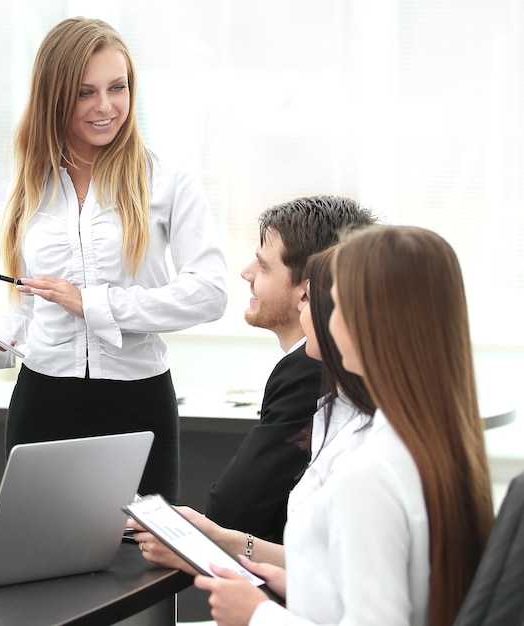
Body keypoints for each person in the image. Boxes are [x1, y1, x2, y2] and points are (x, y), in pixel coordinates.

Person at [0, 17, 228, 504]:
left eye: (118, 88)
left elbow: (211, 292)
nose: (106, 106)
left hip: (137, 403)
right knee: (37, 565)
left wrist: (95, 304)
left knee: (144, 564)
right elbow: (31, 308)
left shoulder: (167, 180)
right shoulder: (30, 183)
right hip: (42, 402)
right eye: (85, 92)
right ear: (55, 97)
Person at [193, 225, 495, 626]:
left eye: (330, 304)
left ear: (372, 323)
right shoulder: (433, 442)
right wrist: (302, 586)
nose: (314, 314)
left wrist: (258, 615)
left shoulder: (370, 473)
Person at [131, 246, 376, 577]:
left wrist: (255, 609)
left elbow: (356, 591)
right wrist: (217, 540)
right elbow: (326, 565)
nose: (247, 273)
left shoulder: (368, 443)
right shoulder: (345, 413)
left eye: (312, 298)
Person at [206, 196, 375, 542]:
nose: (246, 273)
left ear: (307, 291)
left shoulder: (308, 371)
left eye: (264, 266)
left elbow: (232, 510)